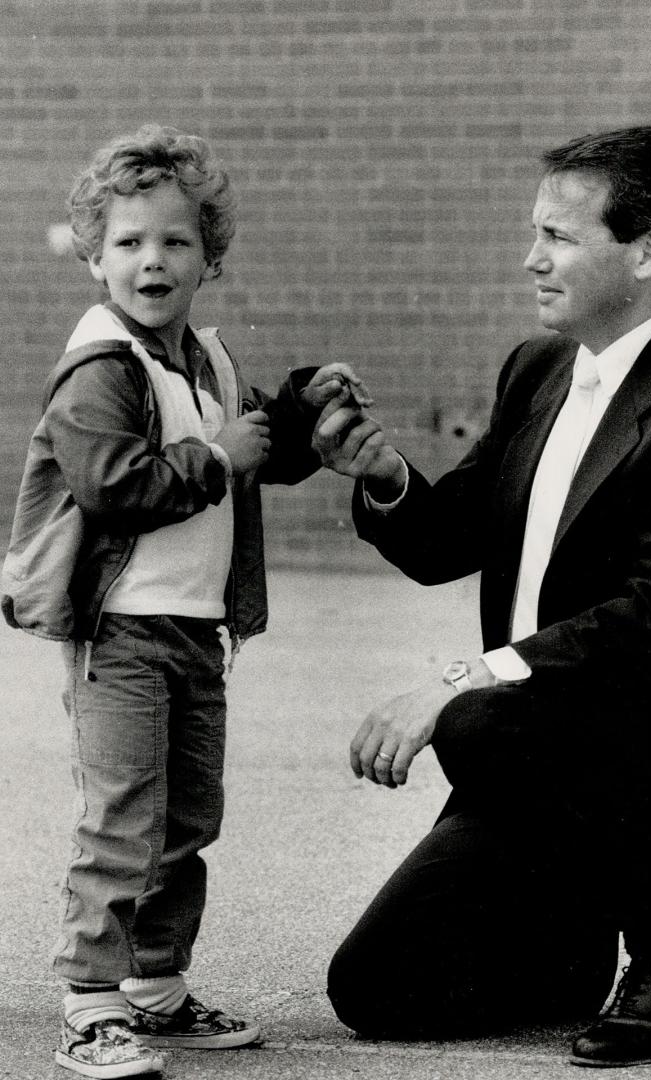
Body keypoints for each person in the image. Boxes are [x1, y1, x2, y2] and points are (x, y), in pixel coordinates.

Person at [313, 126, 651, 1067]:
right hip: (537, 755)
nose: (531, 258)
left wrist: (461, 679)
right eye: (535, 233)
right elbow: (446, 544)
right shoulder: (538, 370)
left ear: (646, 251)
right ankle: (569, 936)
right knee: (378, 990)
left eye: (559, 236)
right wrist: (386, 473)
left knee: (477, 720)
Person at [1, 125, 370, 1079]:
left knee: (186, 819)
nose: (150, 260)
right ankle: (89, 1004)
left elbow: (246, 454)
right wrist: (218, 459)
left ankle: (155, 991)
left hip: (194, 633)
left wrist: (298, 412)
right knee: (123, 820)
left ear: (210, 256)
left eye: (173, 241)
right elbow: (115, 483)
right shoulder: (98, 368)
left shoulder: (204, 359)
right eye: (127, 243)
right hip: (118, 633)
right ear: (93, 257)